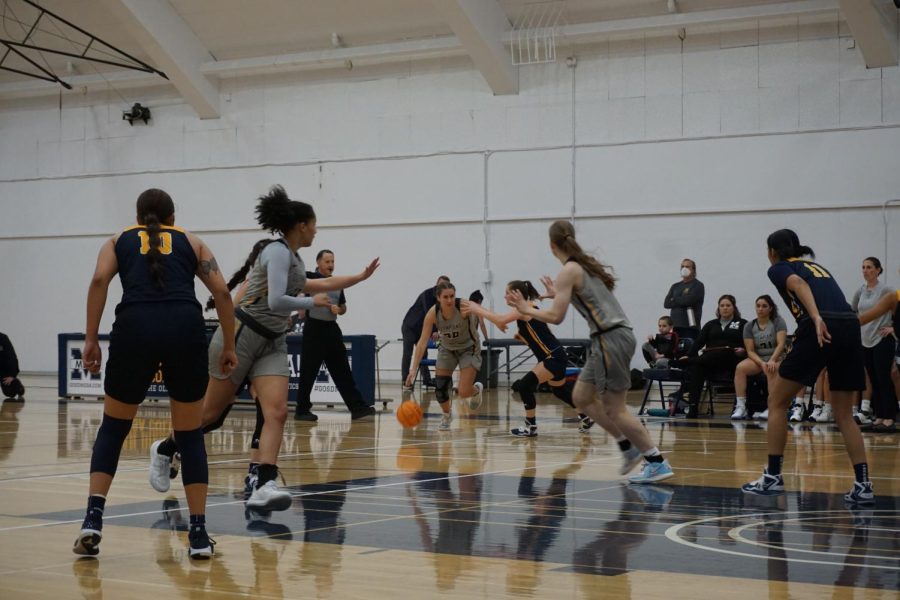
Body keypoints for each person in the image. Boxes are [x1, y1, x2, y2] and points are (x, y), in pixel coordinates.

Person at [149, 185, 379, 512]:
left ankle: (263, 481)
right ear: (301, 225)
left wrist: (359, 277)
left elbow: (319, 284)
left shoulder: (295, 259)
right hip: (243, 335)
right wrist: (308, 301)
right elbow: (276, 300)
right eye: (313, 224)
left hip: (272, 341)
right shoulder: (275, 251)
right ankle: (165, 448)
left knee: (278, 412)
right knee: (210, 416)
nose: (316, 229)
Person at [73, 188, 237, 558]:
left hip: (135, 326)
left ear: (137, 215)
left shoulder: (117, 241)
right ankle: (197, 535)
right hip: (183, 326)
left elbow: (99, 281)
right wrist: (228, 345)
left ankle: (93, 519)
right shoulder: (191, 242)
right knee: (190, 435)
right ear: (173, 218)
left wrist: (90, 339)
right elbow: (223, 293)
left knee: (114, 428)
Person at [508, 220, 673, 484]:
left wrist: (526, 309)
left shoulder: (569, 270)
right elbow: (586, 299)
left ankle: (655, 460)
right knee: (581, 396)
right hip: (609, 337)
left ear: (551, 246)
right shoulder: (583, 265)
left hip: (611, 337)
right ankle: (626, 447)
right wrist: (556, 294)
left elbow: (557, 318)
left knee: (616, 409)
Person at [741, 229, 873, 505]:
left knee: (776, 401)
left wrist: (815, 318)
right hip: (849, 326)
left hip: (822, 327)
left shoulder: (779, 268)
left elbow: (798, 284)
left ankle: (773, 477)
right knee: (844, 414)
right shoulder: (817, 266)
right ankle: (863, 484)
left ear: (772, 252)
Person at [461, 280, 599, 438]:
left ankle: (531, 426)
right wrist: (524, 337)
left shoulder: (523, 309)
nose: (505, 296)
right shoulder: (530, 307)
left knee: (525, 386)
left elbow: (499, 319)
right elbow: (540, 334)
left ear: (515, 294)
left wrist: (475, 307)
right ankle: (586, 418)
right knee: (559, 391)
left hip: (552, 357)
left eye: (507, 292)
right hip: (556, 356)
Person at [294, 249, 376, 422]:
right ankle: (302, 410)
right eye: (327, 262)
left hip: (331, 329)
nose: (331, 265)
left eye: (332, 262)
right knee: (308, 371)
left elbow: (343, 307)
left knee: (343, 370)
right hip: (313, 330)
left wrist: (340, 310)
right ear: (318, 264)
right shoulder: (309, 278)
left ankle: (357, 407)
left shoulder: (337, 283)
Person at [405, 281, 484, 431]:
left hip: (468, 347)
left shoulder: (463, 306)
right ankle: (447, 415)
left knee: (463, 392)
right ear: (438, 298)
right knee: (440, 388)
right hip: (447, 348)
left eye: (452, 296)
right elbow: (422, 343)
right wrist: (413, 369)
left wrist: (499, 320)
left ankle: (476, 390)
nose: (449, 300)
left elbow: (482, 311)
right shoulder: (432, 313)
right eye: (446, 297)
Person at [677, 295, 747, 419]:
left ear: (734, 308)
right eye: (722, 306)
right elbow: (698, 342)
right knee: (697, 367)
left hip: (732, 359)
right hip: (710, 360)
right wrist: (688, 355)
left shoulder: (743, 324)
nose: (725, 308)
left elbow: (748, 344)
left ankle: (690, 361)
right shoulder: (711, 324)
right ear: (718, 308)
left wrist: (744, 350)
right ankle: (693, 407)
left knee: (723, 353)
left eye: (728, 305)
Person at [851, 257, 897, 432]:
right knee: (872, 378)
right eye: (863, 267)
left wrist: (893, 328)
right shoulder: (861, 290)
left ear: (878, 270)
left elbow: (897, 310)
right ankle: (878, 415)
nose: (865, 270)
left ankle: (890, 416)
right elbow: (853, 310)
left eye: (869, 267)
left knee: (884, 377)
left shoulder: (887, 290)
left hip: (882, 339)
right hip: (865, 339)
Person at [730, 295, 787, 420]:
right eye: (758, 306)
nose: (760, 309)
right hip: (758, 358)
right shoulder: (749, 326)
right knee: (740, 368)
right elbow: (750, 351)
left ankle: (771, 407)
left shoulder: (778, 321)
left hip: (776, 356)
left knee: (772, 369)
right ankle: (741, 407)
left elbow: (781, 344)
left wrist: (772, 360)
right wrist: (761, 363)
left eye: (764, 306)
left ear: (770, 308)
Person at [401, 276, 450, 388]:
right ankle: (406, 380)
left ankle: (427, 380)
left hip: (421, 329)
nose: (442, 287)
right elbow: (430, 313)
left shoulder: (442, 299)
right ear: (436, 284)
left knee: (423, 354)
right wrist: (434, 331)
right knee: (408, 354)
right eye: (441, 285)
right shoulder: (427, 295)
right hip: (410, 326)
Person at [664, 258, 704, 341]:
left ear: (693, 270)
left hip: (690, 326)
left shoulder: (698, 285)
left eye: (687, 266)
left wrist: (674, 299)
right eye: (682, 266)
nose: (684, 268)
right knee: (677, 351)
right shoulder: (675, 286)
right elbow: (667, 303)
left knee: (689, 351)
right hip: (676, 326)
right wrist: (682, 299)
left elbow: (688, 301)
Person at [0, 332, 24, 400]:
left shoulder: (3, 338)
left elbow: (12, 357)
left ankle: (18, 386)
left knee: (10, 393)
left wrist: (12, 375)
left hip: (4, 369)